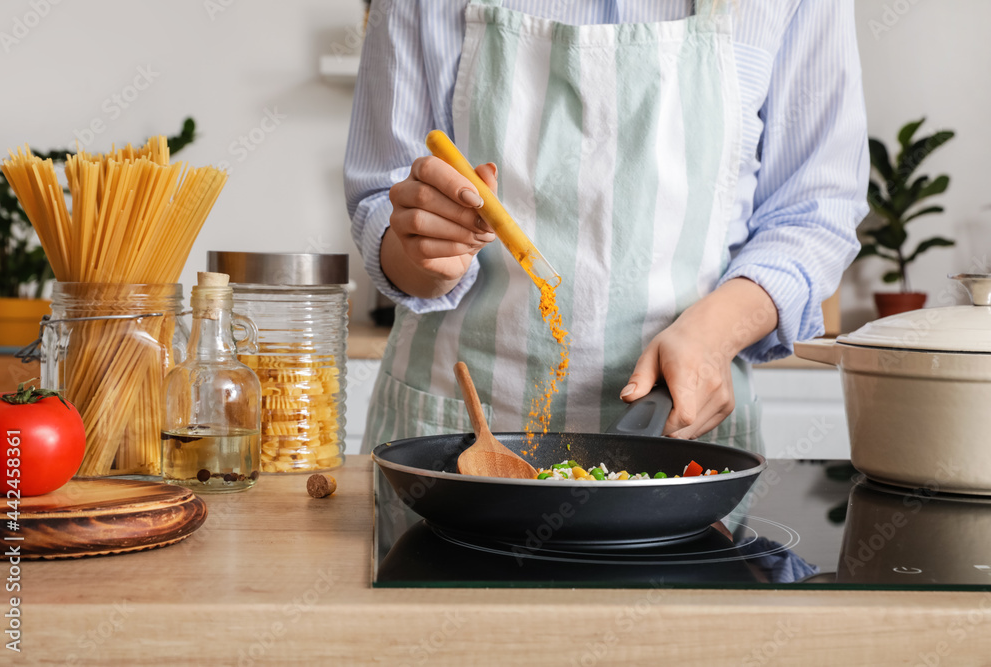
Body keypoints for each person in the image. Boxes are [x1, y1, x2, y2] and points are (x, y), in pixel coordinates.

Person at [344, 0, 868, 454]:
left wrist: (717, 331)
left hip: (680, 440)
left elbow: (817, 206)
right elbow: (383, 198)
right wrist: (425, 255)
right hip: (457, 436)